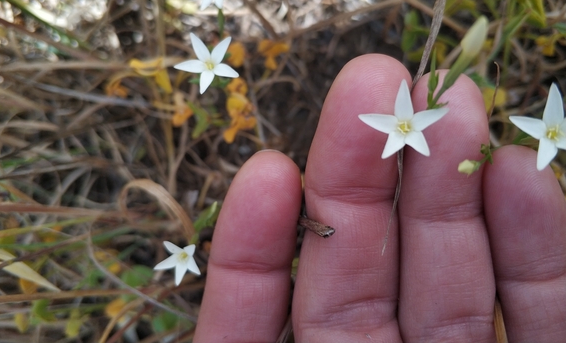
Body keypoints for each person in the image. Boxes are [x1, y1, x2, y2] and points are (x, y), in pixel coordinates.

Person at [194, 54, 566, 342]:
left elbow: (410, 129)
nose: (404, 125)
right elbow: (399, 128)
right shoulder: (401, 126)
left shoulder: (412, 128)